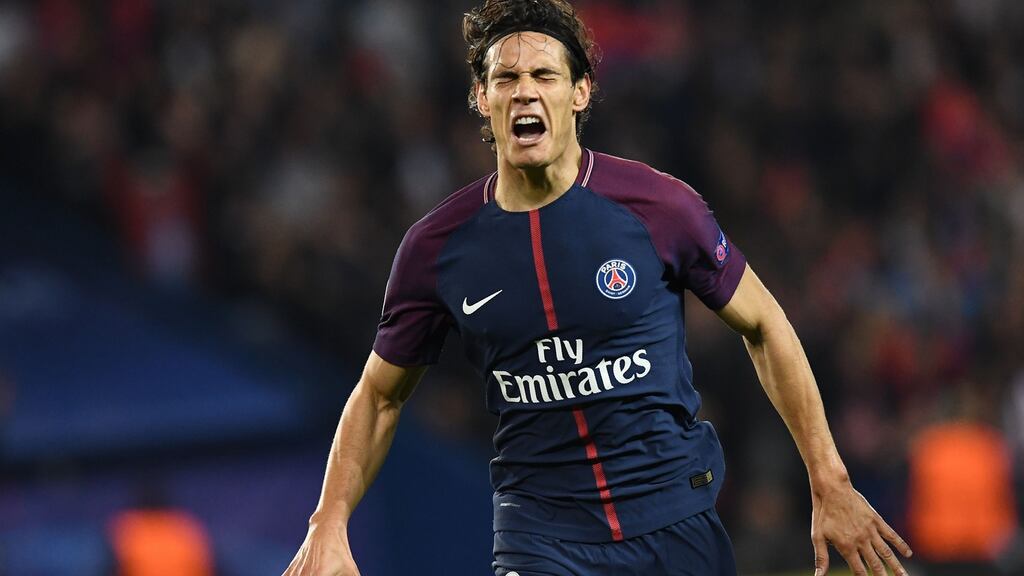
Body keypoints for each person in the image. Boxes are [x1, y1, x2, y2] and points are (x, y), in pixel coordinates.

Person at [283, 1, 912, 574]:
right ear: (482, 97)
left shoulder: (659, 206)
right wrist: (329, 521)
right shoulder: (436, 248)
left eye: (544, 76)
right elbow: (379, 396)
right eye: (506, 78)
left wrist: (828, 479)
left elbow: (765, 325)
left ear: (580, 92)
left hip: (675, 522)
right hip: (540, 537)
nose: (524, 90)